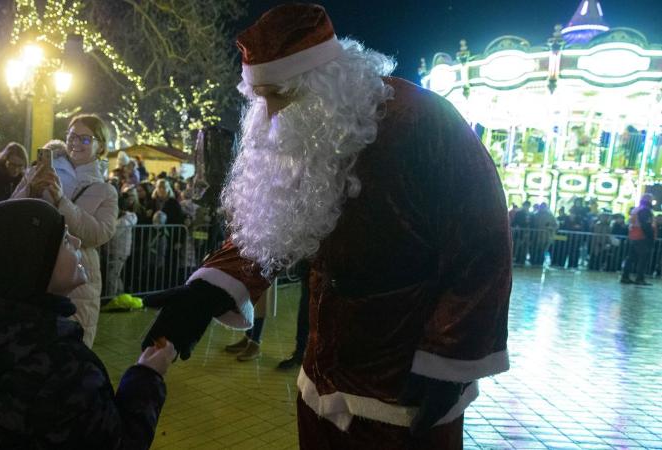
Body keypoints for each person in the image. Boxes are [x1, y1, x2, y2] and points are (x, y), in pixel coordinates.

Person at [141, 5, 511, 447]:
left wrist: (449, 365)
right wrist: (205, 294)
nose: (271, 113)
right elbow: (269, 225)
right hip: (320, 382)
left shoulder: (421, 121)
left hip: (403, 390)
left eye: (280, 93)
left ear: (323, 83)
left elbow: (483, 248)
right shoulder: (302, 129)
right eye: (261, 98)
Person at [0, 199, 175, 449]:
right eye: (65, 239)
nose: (78, 242)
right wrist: (147, 377)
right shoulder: (60, 366)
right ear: (28, 264)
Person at [13, 115, 118, 348]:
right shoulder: (42, 173)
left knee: (72, 353)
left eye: (85, 139)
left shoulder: (105, 191)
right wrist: (30, 188)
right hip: (37, 271)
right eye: (71, 136)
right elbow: (10, 211)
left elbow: (98, 234)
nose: (75, 143)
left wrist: (61, 200)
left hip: (79, 281)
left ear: (100, 146)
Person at [621, 194, 656, 285]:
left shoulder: (636, 209)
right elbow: (646, 225)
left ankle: (625, 276)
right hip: (642, 236)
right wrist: (651, 237)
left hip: (633, 235)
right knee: (643, 258)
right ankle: (640, 278)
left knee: (631, 258)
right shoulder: (645, 210)